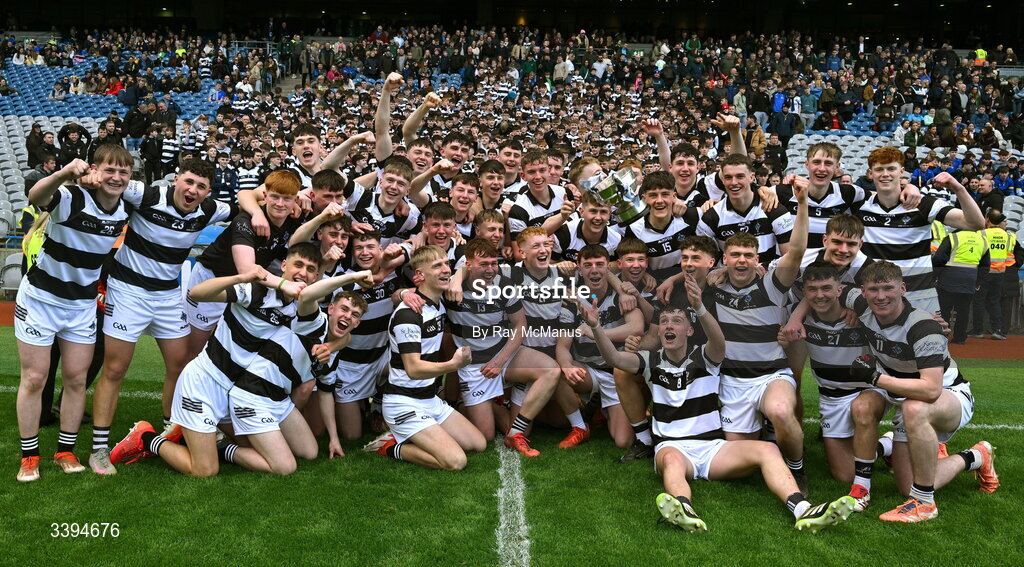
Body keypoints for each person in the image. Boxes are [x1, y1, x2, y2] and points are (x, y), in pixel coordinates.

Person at [584, 273, 856, 533]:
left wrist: (700, 307)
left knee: (768, 451)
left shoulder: (706, 356)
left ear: (689, 330)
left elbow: (718, 340)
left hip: (714, 448)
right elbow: (616, 360)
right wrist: (596, 328)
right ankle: (683, 509)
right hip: (674, 446)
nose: (668, 325)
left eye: (676, 321)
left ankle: (802, 509)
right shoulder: (648, 360)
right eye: (664, 321)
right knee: (671, 461)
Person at [110, 247, 374, 476]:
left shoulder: (296, 311)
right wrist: (242, 276)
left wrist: (337, 343)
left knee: (282, 451)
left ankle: (202, 436)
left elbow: (329, 328)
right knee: (205, 470)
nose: (303, 273)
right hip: (205, 381)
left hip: (237, 388)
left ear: (316, 277)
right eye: (298, 265)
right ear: (284, 266)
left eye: (311, 269)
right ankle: (147, 438)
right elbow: (197, 293)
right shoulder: (256, 292)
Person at [88, 159, 234, 475]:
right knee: (115, 368)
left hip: (168, 296)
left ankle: (171, 428)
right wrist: (94, 175)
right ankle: (99, 449)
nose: (193, 190)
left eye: (201, 187)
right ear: (177, 179)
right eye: (189, 182)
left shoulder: (210, 210)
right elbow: (112, 183)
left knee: (180, 364)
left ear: (208, 192)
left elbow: (249, 203)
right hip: (128, 291)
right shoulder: (148, 194)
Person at [844, 261, 999, 522]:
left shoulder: (924, 328)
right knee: (862, 406)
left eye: (888, 288)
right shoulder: (860, 304)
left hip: (947, 394)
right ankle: (861, 488)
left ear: (903, 288)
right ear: (863, 292)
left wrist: (874, 377)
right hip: (898, 388)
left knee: (913, 408)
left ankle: (938, 490)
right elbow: (824, 286)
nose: (881, 296)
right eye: (873, 290)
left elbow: (930, 390)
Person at [15, 148, 133, 482]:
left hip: (80, 306)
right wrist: (67, 171)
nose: (116, 178)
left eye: (123, 173)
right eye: (110, 170)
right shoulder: (71, 197)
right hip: (40, 300)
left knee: (77, 380)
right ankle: (29, 456)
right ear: (97, 170)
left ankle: (65, 452)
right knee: (35, 378)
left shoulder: (127, 208)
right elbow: (36, 194)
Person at [703, 174, 809, 491]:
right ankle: (768, 440)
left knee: (780, 409)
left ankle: (797, 469)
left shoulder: (772, 282)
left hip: (770, 374)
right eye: (735, 255)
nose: (741, 260)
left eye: (748, 255)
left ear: (757, 259)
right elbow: (686, 265)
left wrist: (802, 203)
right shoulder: (714, 284)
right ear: (723, 259)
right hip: (732, 379)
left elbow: (798, 250)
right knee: (741, 457)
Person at [363, 245, 485, 470]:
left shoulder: (437, 301)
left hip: (430, 399)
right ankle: (390, 446)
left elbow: (467, 267)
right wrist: (453, 365)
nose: (446, 270)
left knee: (478, 444)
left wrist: (456, 278)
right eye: (437, 266)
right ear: (419, 276)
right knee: (456, 462)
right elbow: (414, 369)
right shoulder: (408, 314)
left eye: (447, 264)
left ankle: (413, 434)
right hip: (403, 402)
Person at [443, 238, 563, 455]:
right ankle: (456, 404)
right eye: (484, 264)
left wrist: (500, 360)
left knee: (551, 369)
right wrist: (405, 293)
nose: (490, 269)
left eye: (494, 263)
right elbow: (413, 291)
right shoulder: (452, 288)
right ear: (468, 264)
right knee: (485, 436)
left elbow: (520, 325)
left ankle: (515, 432)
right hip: (474, 365)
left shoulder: (504, 284)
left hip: (503, 355)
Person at [853, 148, 984, 315]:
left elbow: (975, 224)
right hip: (876, 299)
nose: (885, 174)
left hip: (919, 297)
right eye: (879, 169)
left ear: (901, 172)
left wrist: (958, 188)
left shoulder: (924, 204)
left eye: (891, 169)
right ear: (870, 173)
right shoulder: (859, 204)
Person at [933, 227, 990, 345]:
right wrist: (978, 281)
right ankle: (960, 337)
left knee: (944, 309)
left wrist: (934, 277)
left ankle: (943, 335)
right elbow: (985, 265)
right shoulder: (982, 240)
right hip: (970, 278)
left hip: (949, 276)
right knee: (963, 310)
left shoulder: (953, 237)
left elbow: (939, 258)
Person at [969, 210, 1016, 340]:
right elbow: (1010, 258)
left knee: (979, 301)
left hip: (983, 273)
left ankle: (978, 330)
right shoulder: (1009, 236)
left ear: (988, 219)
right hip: (1000, 273)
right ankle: (997, 330)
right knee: (994, 301)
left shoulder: (981, 233)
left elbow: (977, 253)